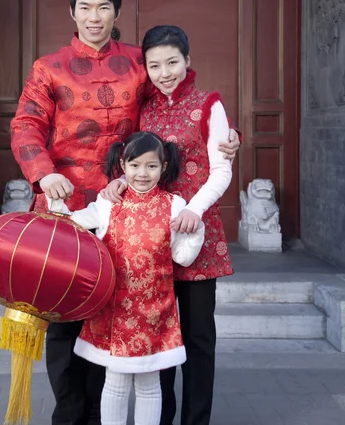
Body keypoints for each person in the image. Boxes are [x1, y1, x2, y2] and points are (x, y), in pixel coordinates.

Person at [10, 0, 240, 425]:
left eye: (103, 8)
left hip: (132, 218)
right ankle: (71, 415)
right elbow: (25, 125)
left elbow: (184, 102)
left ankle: (103, 413)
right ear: (72, 12)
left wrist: (228, 133)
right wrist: (44, 173)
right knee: (62, 324)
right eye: (85, 8)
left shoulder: (139, 62)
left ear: (117, 13)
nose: (93, 17)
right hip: (67, 210)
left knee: (108, 317)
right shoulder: (48, 67)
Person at [102, 25, 235, 425]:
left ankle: (195, 420)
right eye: (155, 65)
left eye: (172, 62)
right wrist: (120, 181)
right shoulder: (145, 107)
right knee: (158, 337)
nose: (164, 72)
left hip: (195, 235)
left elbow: (221, 169)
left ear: (188, 61)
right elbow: (138, 162)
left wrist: (193, 210)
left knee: (197, 339)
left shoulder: (208, 104)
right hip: (148, 240)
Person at [47, 132, 213, 425]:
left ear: (164, 166)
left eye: (151, 166)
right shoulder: (109, 203)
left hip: (154, 311)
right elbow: (74, 224)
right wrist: (57, 205)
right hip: (115, 310)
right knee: (115, 381)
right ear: (123, 165)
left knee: (150, 385)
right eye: (135, 165)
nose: (142, 173)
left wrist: (195, 227)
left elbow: (183, 257)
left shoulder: (174, 205)